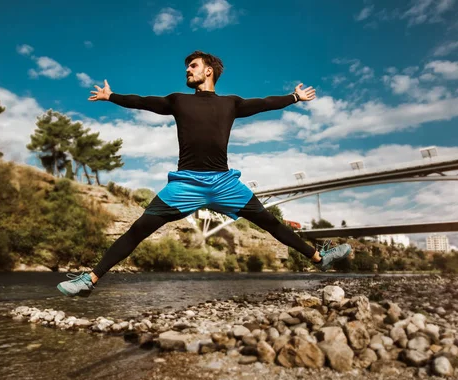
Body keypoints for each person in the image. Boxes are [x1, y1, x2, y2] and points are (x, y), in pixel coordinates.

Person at [57, 51, 352, 297]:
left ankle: (319, 258)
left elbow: (264, 104)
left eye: (193, 65)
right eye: (188, 66)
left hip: (224, 183)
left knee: (269, 222)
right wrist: (112, 96)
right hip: (186, 184)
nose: (187, 69)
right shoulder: (178, 101)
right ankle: (89, 280)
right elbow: (144, 101)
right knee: (138, 229)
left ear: (208, 71)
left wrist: (294, 97)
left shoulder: (230, 104)